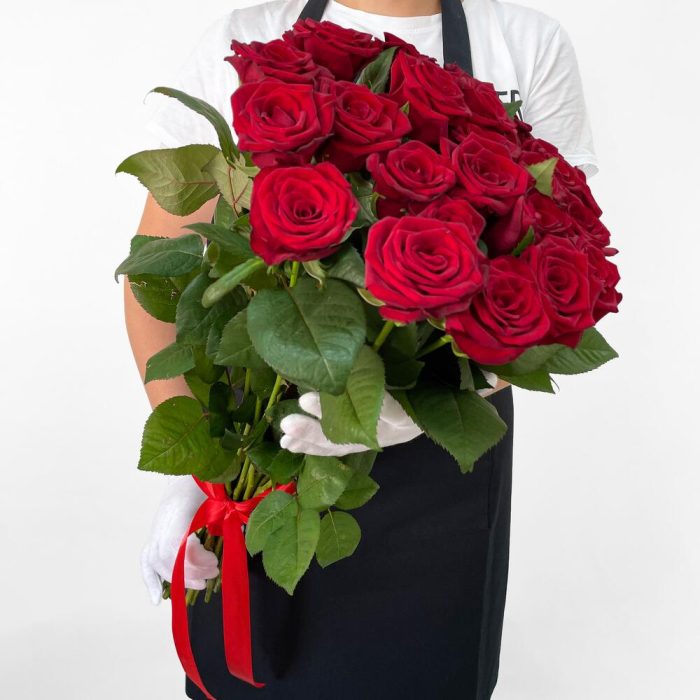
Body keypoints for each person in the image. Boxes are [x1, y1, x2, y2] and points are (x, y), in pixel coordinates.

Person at [125, 1, 598, 698]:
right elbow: (155, 275)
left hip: (439, 493)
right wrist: (197, 475)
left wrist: (418, 405)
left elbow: (557, 286)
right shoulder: (247, 37)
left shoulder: (526, 43)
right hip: (261, 460)